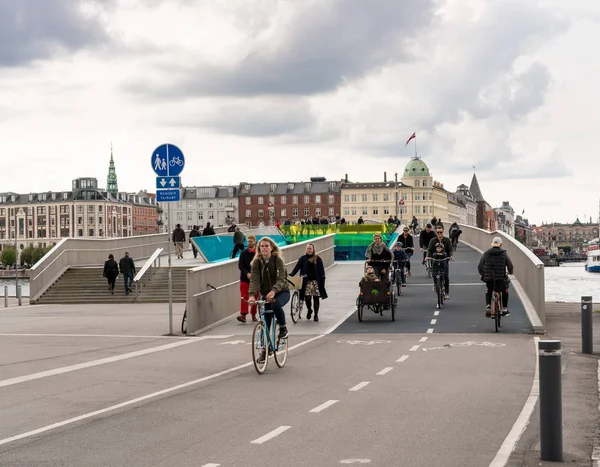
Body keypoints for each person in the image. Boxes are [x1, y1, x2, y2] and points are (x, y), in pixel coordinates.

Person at [248, 237, 290, 363]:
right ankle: (265, 351)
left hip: (282, 292)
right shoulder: (257, 262)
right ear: (259, 248)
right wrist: (251, 295)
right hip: (266, 295)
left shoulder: (278, 260)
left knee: (276, 306)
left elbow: (281, 279)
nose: (264, 248)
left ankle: (283, 327)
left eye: (266, 246)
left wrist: (274, 291)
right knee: (266, 320)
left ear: (271, 248)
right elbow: (254, 279)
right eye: (262, 246)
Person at [289, 243, 328, 322]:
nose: (309, 250)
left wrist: (323, 278)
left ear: (313, 250)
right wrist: (292, 274)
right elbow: (297, 267)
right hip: (306, 282)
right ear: (305, 249)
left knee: (316, 298)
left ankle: (316, 315)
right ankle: (309, 310)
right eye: (307, 248)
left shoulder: (317, 259)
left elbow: (321, 270)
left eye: (310, 248)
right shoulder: (302, 259)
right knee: (307, 298)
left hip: (316, 282)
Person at [478, 236, 514, 317]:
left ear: (492, 244)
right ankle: (504, 308)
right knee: (505, 290)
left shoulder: (486, 253)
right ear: (501, 244)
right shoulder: (504, 254)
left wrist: (482, 273)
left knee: (489, 290)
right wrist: (511, 272)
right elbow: (510, 265)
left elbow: (480, 265)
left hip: (489, 278)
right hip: (501, 278)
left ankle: (488, 305)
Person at [426, 225, 453, 299]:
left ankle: (447, 293)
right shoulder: (433, 240)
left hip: (444, 260)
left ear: (443, 231)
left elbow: (450, 249)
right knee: (434, 273)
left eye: (441, 232)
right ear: (436, 232)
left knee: (446, 276)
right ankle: (435, 284)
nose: (439, 234)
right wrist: (427, 256)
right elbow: (429, 249)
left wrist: (451, 256)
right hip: (435, 259)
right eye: (438, 232)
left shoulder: (447, 240)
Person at [237, 235, 257, 323]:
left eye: (251, 241)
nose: (250, 243)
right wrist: (247, 273)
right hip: (244, 278)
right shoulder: (244, 253)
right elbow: (240, 265)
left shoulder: (258, 253)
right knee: (244, 296)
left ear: (255, 242)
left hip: (255, 279)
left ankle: (253, 314)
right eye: (249, 241)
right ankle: (243, 314)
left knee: (255, 297)